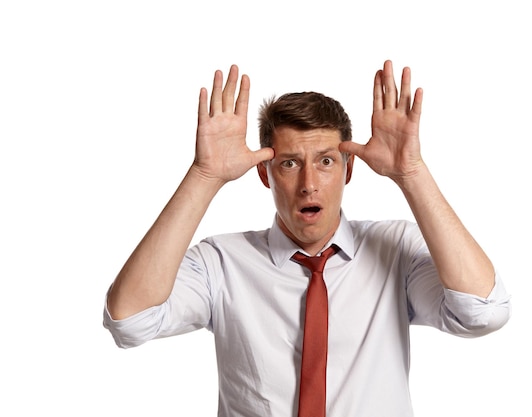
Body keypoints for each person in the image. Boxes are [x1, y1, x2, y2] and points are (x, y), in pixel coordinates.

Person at [103, 60, 511, 417]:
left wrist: (412, 174)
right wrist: (204, 176)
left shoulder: (395, 250)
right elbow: (129, 321)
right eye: (290, 164)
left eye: (326, 162)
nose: (309, 184)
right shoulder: (221, 262)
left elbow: (482, 312)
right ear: (265, 174)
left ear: (349, 171)